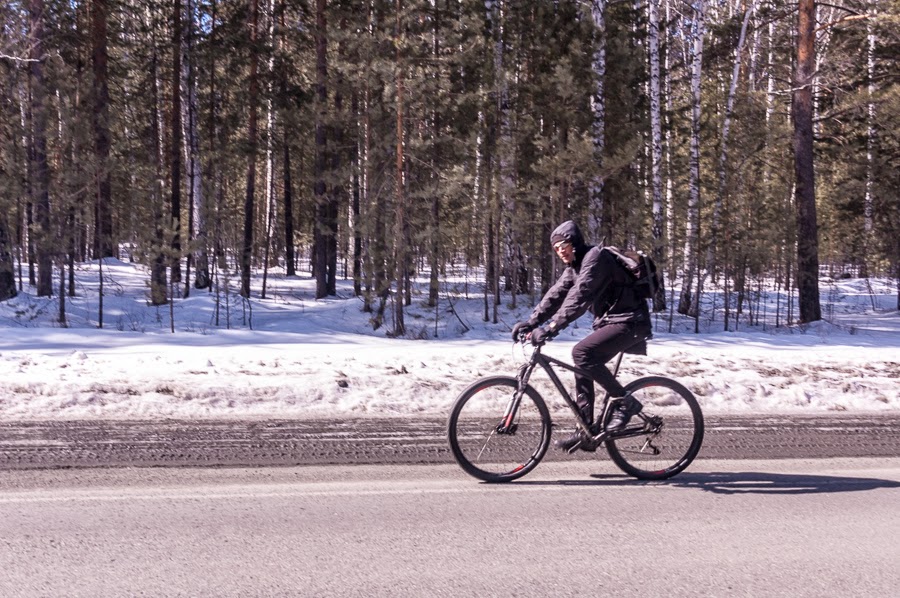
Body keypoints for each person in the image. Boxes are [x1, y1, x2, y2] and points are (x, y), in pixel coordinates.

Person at [511, 220, 652, 452]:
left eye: (563, 246)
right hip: (614, 322)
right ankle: (586, 430)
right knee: (583, 362)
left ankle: (625, 402)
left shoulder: (595, 258)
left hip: (631, 321)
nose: (560, 252)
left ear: (574, 243)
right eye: (556, 249)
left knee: (582, 352)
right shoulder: (575, 268)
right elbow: (555, 295)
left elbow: (579, 297)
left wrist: (550, 328)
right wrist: (532, 321)